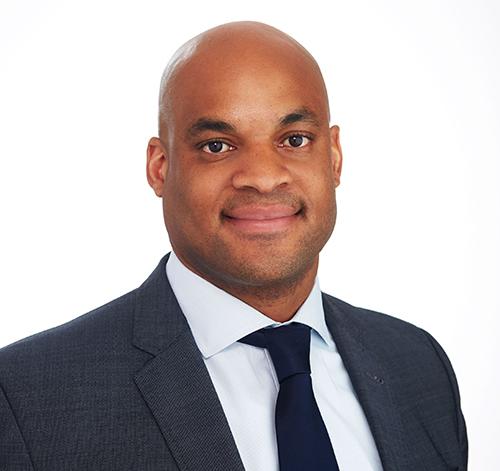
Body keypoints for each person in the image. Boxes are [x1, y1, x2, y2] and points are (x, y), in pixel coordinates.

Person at [0, 21, 467, 471]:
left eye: (295, 139)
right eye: (217, 146)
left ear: (334, 156)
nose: (263, 177)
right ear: (160, 168)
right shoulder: (28, 397)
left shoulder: (418, 365)